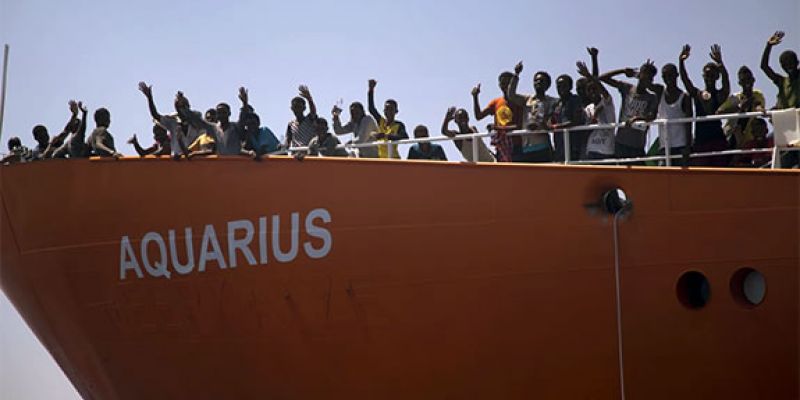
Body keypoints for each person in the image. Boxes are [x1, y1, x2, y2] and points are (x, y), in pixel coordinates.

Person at [679, 44, 730, 166]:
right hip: (700, 141)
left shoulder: (719, 95)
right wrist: (681, 62)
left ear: (717, 77)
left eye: (712, 75)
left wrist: (720, 64)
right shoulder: (697, 94)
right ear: (703, 76)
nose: (709, 78)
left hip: (718, 140)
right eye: (707, 75)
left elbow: (726, 83)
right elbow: (685, 80)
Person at [600, 60, 660, 161]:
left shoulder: (652, 97)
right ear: (639, 74)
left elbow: (651, 116)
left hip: (638, 145)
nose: (646, 79)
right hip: (621, 143)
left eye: (650, 78)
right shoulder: (627, 88)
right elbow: (602, 78)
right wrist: (623, 71)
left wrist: (636, 119)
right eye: (645, 75)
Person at [139, 82, 206, 159]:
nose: (182, 109)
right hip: (176, 161)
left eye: (184, 106)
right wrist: (149, 98)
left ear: (188, 107)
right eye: (179, 107)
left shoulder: (197, 121)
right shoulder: (172, 122)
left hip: (194, 160)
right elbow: (155, 115)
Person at [506, 61, 557, 162]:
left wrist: (540, 126)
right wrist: (516, 75)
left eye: (541, 81)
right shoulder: (527, 99)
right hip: (526, 146)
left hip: (542, 146)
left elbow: (552, 121)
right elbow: (511, 95)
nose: (538, 83)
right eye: (536, 80)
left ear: (547, 85)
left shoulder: (552, 101)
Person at [472, 71, 524, 162]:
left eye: (508, 83)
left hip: (517, 145)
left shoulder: (519, 101)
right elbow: (479, 116)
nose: (505, 86)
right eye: (503, 83)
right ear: (499, 85)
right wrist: (475, 97)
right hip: (501, 146)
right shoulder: (496, 102)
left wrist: (497, 128)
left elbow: (519, 126)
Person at [717, 66, 766, 150]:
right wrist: (740, 107)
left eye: (748, 79)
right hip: (732, 139)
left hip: (749, 140)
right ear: (739, 83)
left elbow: (758, 105)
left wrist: (761, 110)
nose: (747, 82)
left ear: (753, 80)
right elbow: (719, 112)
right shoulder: (735, 98)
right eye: (743, 80)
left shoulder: (758, 95)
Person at [577, 59, 616, 161]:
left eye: (594, 89)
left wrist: (588, 75)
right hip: (592, 150)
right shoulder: (588, 109)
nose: (592, 92)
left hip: (607, 150)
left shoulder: (607, 102)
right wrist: (593, 119)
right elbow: (585, 131)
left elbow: (601, 87)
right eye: (589, 90)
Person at [657, 63, 693, 166]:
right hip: (664, 146)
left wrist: (688, 146)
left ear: (676, 75)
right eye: (664, 76)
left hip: (680, 146)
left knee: (681, 179)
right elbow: (647, 84)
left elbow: (689, 123)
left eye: (670, 75)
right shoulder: (660, 93)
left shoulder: (685, 97)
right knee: (663, 177)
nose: (667, 78)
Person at [367, 79, 408, 159]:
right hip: (380, 158)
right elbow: (371, 108)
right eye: (386, 109)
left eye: (391, 109)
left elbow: (405, 137)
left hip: (393, 158)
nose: (388, 111)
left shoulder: (399, 125)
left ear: (396, 111)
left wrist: (386, 136)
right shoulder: (381, 121)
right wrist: (371, 89)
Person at [551, 74, 587, 161]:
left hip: (573, 144)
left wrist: (557, 127)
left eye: (564, 86)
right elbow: (551, 120)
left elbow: (577, 120)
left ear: (570, 87)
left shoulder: (576, 100)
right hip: (559, 145)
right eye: (559, 86)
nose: (561, 89)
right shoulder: (556, 104)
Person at [761, 31, 799, 109]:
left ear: (797, 63)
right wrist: (768, 46)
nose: (789, 66)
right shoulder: (782, 82)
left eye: (791, 63)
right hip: (784, 118)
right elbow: (764, 67)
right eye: (785, 64)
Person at [286, 85, 318, 151]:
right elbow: (287, 140)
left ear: (304, 108)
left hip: (309, 154)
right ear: (292, 108)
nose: (297, 109)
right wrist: (283, 146)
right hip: (295, 156)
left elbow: (313, 111)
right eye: (295, 107)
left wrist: (309, 99)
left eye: (299, 107)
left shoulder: (309, 119)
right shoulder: (291, 124)